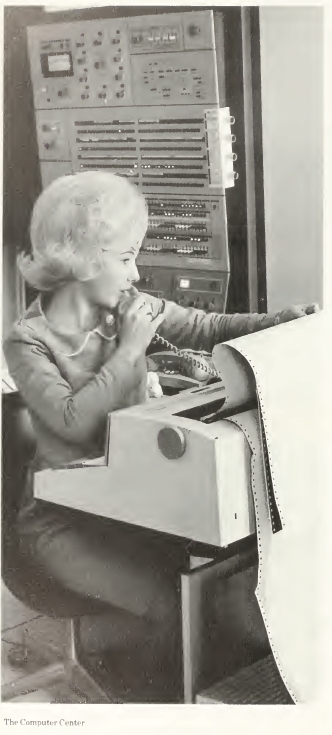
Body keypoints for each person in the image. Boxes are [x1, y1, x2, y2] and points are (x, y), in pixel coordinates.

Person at [3, 171, 317, 698]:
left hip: (130, 500)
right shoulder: (30, 341)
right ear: (80, 261)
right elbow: (71, 421)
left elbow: (205, 327)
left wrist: (282, 320)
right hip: (60, 524)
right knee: (169, 603)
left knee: (224, 580)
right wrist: (129, 351)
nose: (137, 270)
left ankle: (175, 661)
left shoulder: (127, 305)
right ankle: (152, 697)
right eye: (126, 257)